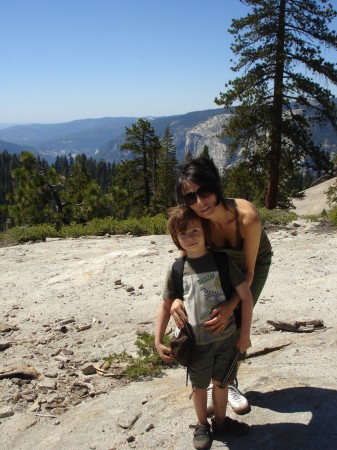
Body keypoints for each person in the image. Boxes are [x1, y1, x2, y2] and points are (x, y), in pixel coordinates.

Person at [171, 156, 272, 415]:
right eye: (190, 197)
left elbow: (248, 272)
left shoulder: (246, 217)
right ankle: (210, 381)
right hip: (219, 259)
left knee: (234, 317)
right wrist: (178, 297)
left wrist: (231, 305)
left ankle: (228, 380)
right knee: (210, 314)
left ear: (215, 185)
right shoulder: (199, 219)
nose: (199, 202)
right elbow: (187, 254)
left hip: (253, 262)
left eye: (203, 191)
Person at [155, 205, 253, 450]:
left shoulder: (222, 261)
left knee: (221, 384)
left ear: (205, 231)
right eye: (183, 234)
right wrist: (157, 341)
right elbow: (166, 305)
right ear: (175, 239)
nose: (190, 237)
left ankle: (220, 421)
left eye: (195, 230)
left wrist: (244, 336)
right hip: (197, 344)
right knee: (200, 387)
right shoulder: (177, 269)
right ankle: (202, 424)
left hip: (226, 339)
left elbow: (245, 296)